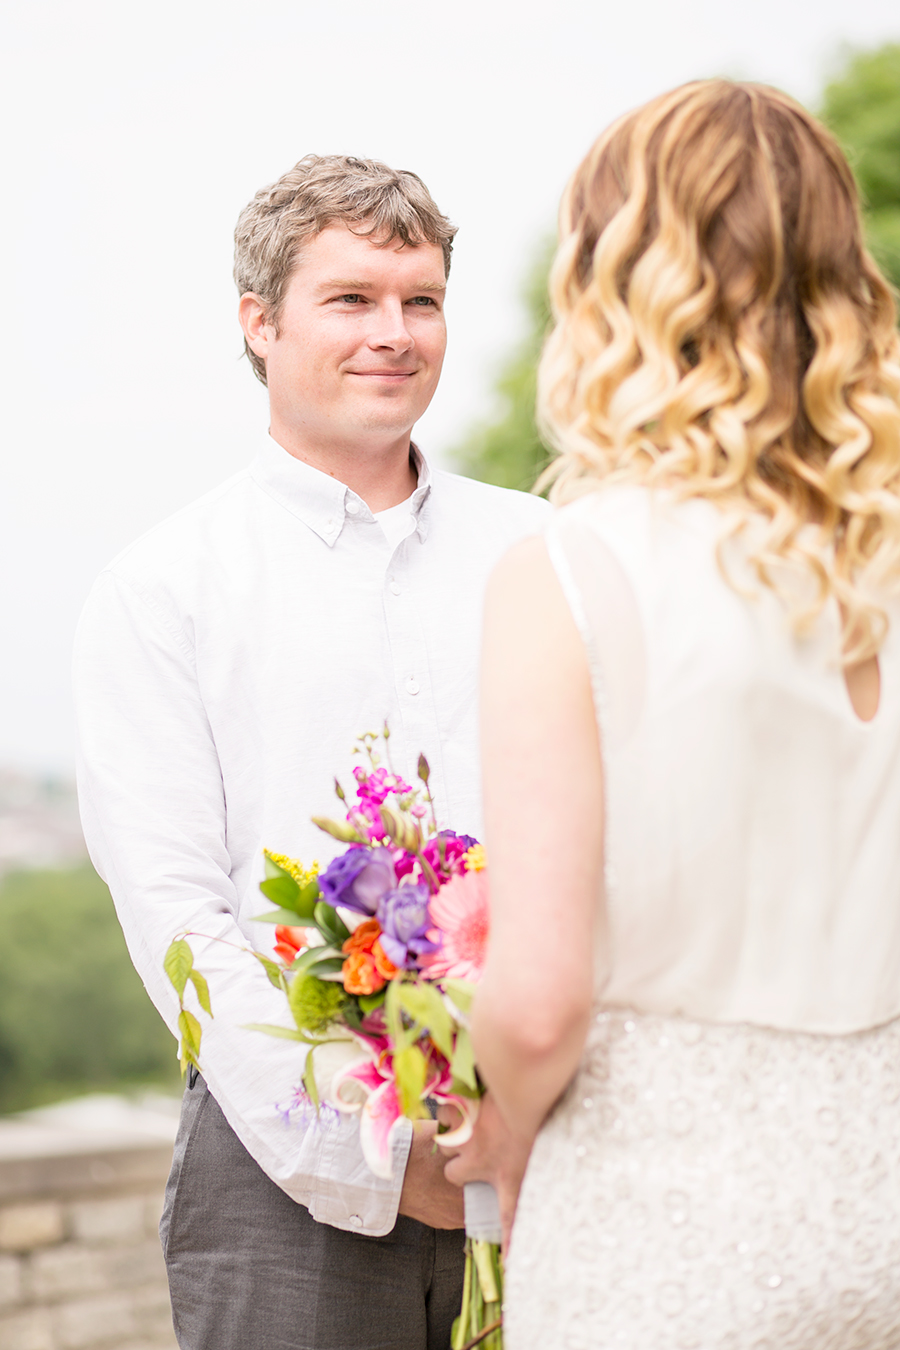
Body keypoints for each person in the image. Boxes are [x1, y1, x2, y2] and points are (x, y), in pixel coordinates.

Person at [444, 81, 900, 1346]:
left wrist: (490, 1131)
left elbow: (536, 1007)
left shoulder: (574, 571)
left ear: (613, 279)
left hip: (660, 1237)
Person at [72, 154, 548, 1350]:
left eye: (422, 300)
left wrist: (522, 1120)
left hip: (546, 1147)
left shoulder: (544, 550)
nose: (395, 333)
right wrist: (376, 1162)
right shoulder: (163, 589)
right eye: (353, 300)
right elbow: (179, 916)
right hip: (283, 1177)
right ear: (259, 322)